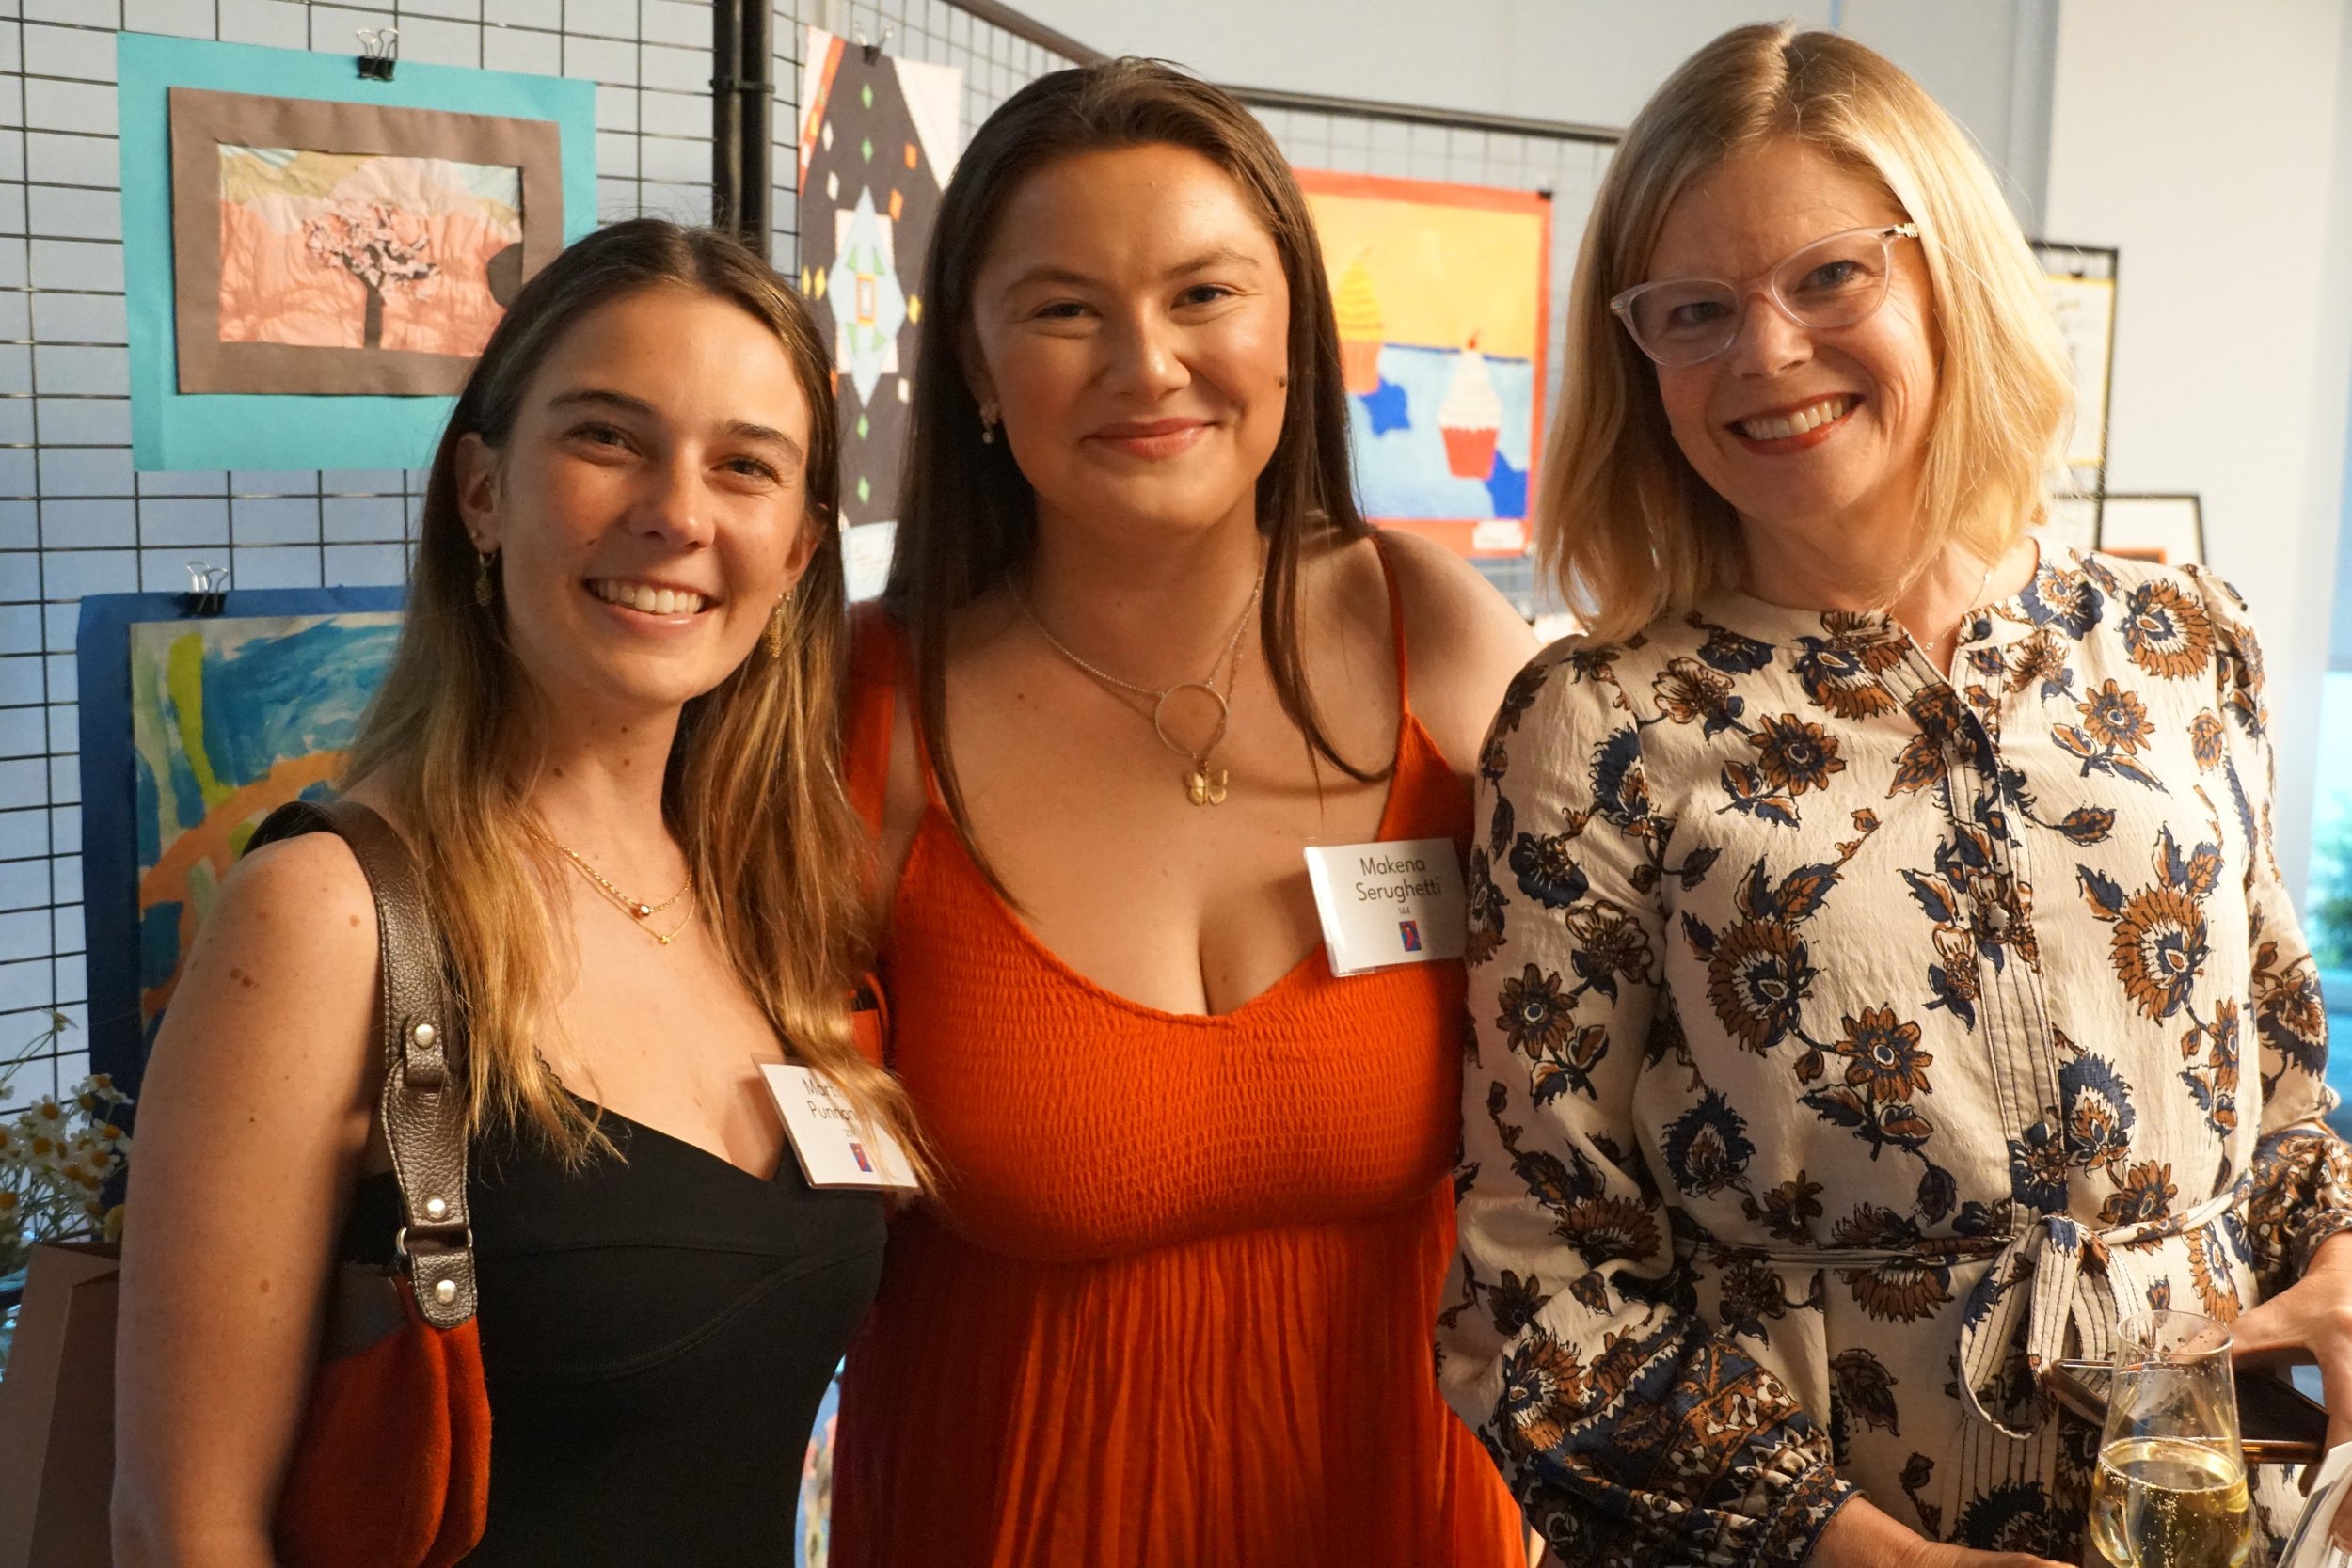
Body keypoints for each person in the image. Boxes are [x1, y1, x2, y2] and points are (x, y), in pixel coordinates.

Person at [1438, 23, 2352, 1568]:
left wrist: (2340, 1251)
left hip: (2200, 1523)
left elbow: (2279, 1101)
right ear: (1640, 355)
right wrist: (1878, 1562)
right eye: (1695, 311)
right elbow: (1544, 1291)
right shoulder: (1596, 726)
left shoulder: (2186, 645)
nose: (1768, 354)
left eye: (1829, 278)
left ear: (1950, 274)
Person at [112, 219, 918, 1565]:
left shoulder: (777, 913)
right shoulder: (331, 918)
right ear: (481, 493)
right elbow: (183, 1528)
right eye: (607, 439)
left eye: (744, 466)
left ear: (794, 554)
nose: (678, 510)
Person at [829, 57, 1535, 1568]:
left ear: (1294, 328)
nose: (1146, 365)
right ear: (970, 360)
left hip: (1399, 1517)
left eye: (1205, 294)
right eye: (1065, 309)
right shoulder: (861, 714)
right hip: (1002, 1511)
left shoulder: (1442, 640)